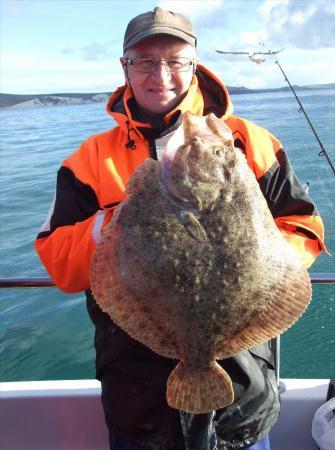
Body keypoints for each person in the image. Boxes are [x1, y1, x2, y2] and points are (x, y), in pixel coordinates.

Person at [35, 7, 326, 450]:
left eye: (175, 60)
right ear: (125, 67)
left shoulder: (249, 142)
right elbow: (59, 265)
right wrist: (115, 226)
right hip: (138, 406)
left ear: (195, 64)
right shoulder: (89, 162)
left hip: (242, 399)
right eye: (145, 61)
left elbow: (304, 227)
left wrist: (253, 259)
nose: (161, 75)